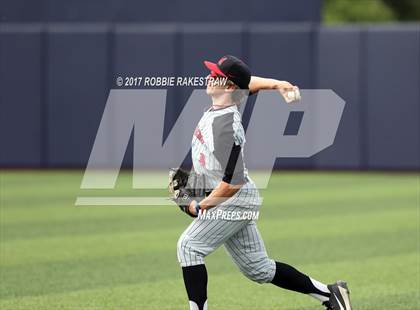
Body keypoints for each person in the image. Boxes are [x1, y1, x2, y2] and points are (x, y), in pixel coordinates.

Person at [176, 55, 352, 310]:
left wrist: (200, 206)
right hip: (237, 196)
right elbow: (248, 83)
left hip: (233, 199)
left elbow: (232, 183)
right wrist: (278, 84)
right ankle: (330, 294)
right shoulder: (228, 100)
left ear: (229, 87)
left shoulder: (224, 125)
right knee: (258, 268)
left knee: (189, 247)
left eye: (215, 75)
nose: (208, 77)